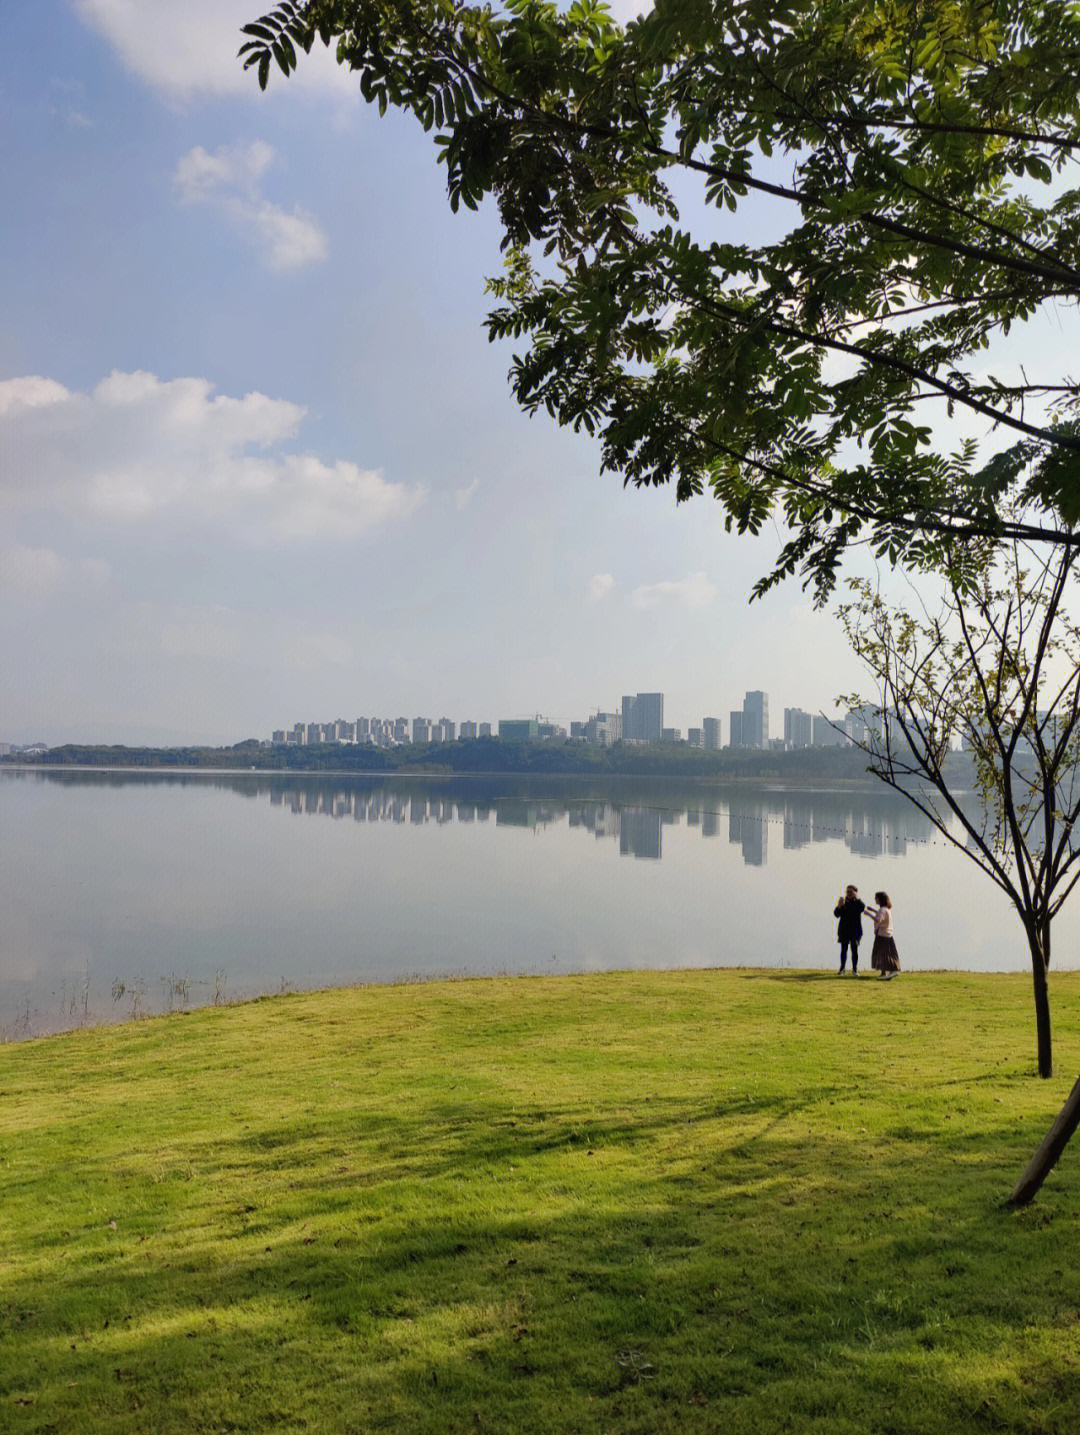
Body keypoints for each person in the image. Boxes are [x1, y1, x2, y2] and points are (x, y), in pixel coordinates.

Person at [865, 892, 901, 979]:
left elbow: (878, 920)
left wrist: (868, 914)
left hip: (882, 934)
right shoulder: (886, 909)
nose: (875, 899)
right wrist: (873, 910)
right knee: (886, 954)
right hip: (889, 934)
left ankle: (890, 971)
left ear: (880, 899)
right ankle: (884, 973)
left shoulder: (882, 910)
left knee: (882, 954)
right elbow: (881, 915)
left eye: (876, 898)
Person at [833, 885, 865, 974]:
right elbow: (836, 914)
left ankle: (854, 969)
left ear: (855, 893)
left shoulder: (857, 903)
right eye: (847, 892)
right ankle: (842, 968)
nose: (848, 893)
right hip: (844, 930)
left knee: (854, 950)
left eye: (851, 892)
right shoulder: (844, 902)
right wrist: (839, 906)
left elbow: (862, 908)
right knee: (843, 950)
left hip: (855, 930)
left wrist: (857, 898)